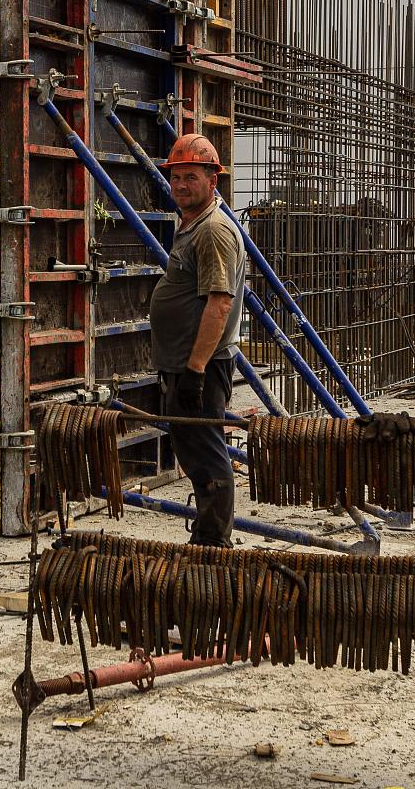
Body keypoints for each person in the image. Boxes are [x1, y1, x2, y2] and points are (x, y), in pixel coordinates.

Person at [148, 133, 246, 547]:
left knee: (207, 455)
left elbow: (219, 305)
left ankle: (214, 543)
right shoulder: (193, 225)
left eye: (191, 176)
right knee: (196, 449)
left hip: (200, 367)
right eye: (176, 176)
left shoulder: (214, 231)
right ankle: (210, 535)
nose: (181, 185)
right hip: (188, 364)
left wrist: (194, 371)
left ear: (213, 180)